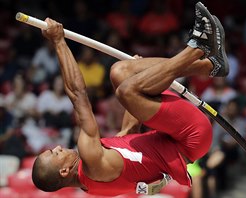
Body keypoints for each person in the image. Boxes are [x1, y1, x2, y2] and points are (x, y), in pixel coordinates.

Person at [32, 2, 229, 196]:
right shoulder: (91, 161)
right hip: (191, 136)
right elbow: (78, 95)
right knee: (125, 91)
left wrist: (141, 77)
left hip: (177, 137)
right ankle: (198, 47)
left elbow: (129, 132)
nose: (57, 147)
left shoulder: (96, 183)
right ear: (64, 171)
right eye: (55, 153)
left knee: (121, 72)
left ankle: (208, 66)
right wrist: (59, 41)